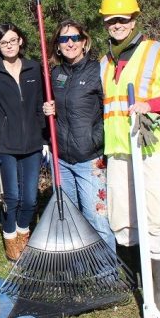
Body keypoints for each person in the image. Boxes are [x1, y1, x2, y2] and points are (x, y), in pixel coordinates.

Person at [98, 0, 160, 318]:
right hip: (119, 150)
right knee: (121, 220)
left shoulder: (157, 53)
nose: (118, 25)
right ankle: (135, 288)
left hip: (150, 147)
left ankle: (159, 301)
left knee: (153, 219)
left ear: (134, 19)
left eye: (123, 19)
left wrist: (149, 105)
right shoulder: (104, 63)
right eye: (111, 20)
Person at [42, 19, 114, 251]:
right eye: (64, 39)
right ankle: (79, 270)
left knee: (97, 219)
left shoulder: (98, 70)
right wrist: (47, 110)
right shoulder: (55, 74)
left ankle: (108, 276)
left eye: (75, 38)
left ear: (84, 42)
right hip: (61, 159)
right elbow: (51, 108)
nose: (69, 43)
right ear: (58, 45)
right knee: (69, 218)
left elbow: (110, 110)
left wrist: (95, 140)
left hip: (89, 159)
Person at [0, 23, 46, 261]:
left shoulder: (34, 69)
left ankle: (23, 233)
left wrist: (45, 137)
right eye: (4, 42)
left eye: (13, 40)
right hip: (5, 145)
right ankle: (9, 236)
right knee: (12, 196)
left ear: (21, 41)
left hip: (33, 144)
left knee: (29, 198)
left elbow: (41, 105)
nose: (9, 45)